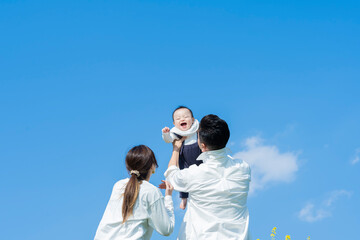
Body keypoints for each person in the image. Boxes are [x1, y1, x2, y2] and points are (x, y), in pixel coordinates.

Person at [164, 114, 252, 240]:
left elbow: (171, 174)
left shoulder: (194, 175)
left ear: (203, 146)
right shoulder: (244, 168)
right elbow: (223, 158)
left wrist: (176, 149)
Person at [94, 145, 175, 240]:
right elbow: (166, 229)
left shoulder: (118, 186)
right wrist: (168, 197)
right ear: (152, 167)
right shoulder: (151, 192)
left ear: (128, 167)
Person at [162, 106, 202, 210]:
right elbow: (168, 139)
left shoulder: (196, 129)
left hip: (199, 156)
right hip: (185, 158)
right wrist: (166, 134)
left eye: (185, 117)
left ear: (192, 120)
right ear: (174, 124)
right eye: (178, 118)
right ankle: (184, 199)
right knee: (182, 175)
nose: (182, 119)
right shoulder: (176, 133)